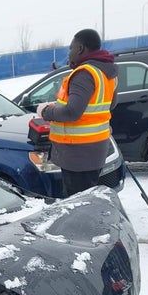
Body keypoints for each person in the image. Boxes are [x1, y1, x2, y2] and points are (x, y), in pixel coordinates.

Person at [37, 29, 117, 197]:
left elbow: (73, 112)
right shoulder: (106, 71)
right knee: (87, 199)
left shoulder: (84, 74)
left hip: (78, 155)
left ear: (80, 48)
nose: (69, 53)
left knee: (77, 203)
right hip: (95, 150)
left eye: (71, 48)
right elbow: (109, 104)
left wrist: (46, 111)